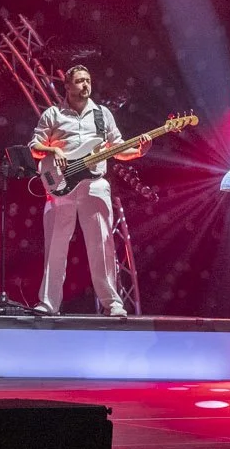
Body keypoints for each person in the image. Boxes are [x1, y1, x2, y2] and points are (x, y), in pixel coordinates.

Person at [30, 65, 151, 318]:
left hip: (94, 183)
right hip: (59, 185)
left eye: (88, 80)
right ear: (68, 85)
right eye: (80, 81)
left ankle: (112, 302)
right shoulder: (53, 114)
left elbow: (117, 148)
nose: (86, 85)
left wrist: (139, 151)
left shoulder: (102, 114)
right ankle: (49, 303)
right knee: (55, 245)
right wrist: (54, 150)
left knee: (102, 244)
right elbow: (34, 147)